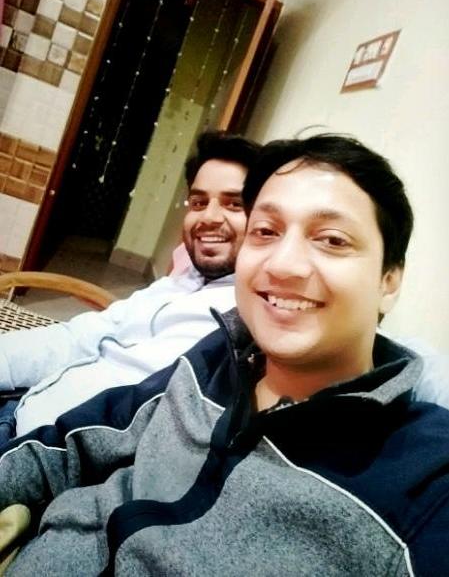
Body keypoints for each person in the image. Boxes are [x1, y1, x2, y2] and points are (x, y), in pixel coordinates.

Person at [0, 133, 447, 575]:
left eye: (331, 239)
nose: (283, 264)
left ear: (389, 280)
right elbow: (78, 438)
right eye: (266, 231)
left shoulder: (425, 481)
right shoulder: (220, 355)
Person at [0, 130, 261, 441]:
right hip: (21, 404)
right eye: (198, 202)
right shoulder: (177, 284)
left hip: (37, 447)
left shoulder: (242, 320)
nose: (209, 217)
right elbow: (78, 336)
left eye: (234, 204)